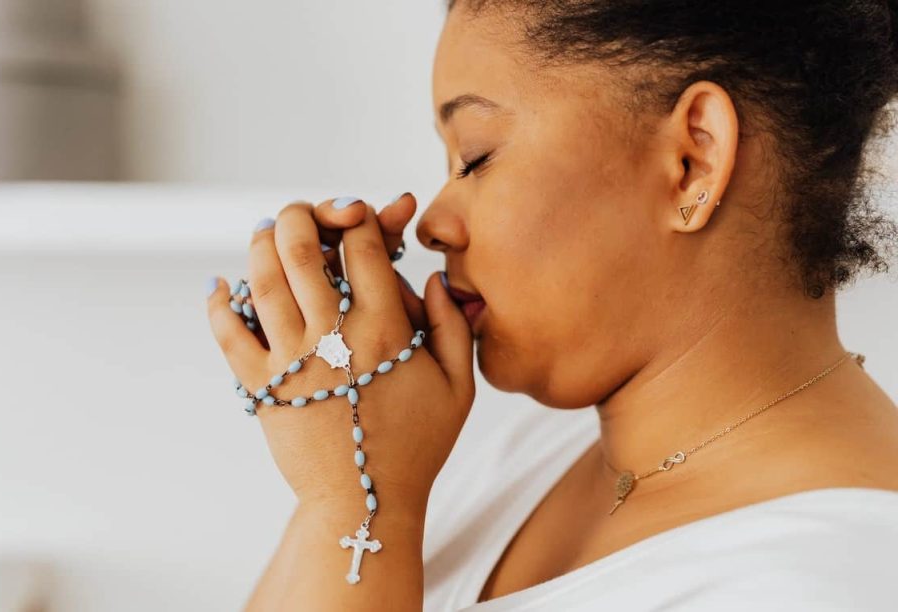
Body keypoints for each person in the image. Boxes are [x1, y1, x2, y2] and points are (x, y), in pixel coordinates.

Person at [206, 0, 898, 609]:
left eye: (475, 157)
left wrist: (356, 507)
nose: (432, 223)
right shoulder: (521, 457)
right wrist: (350, 463)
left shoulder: (820, 583)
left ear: (693, 161)